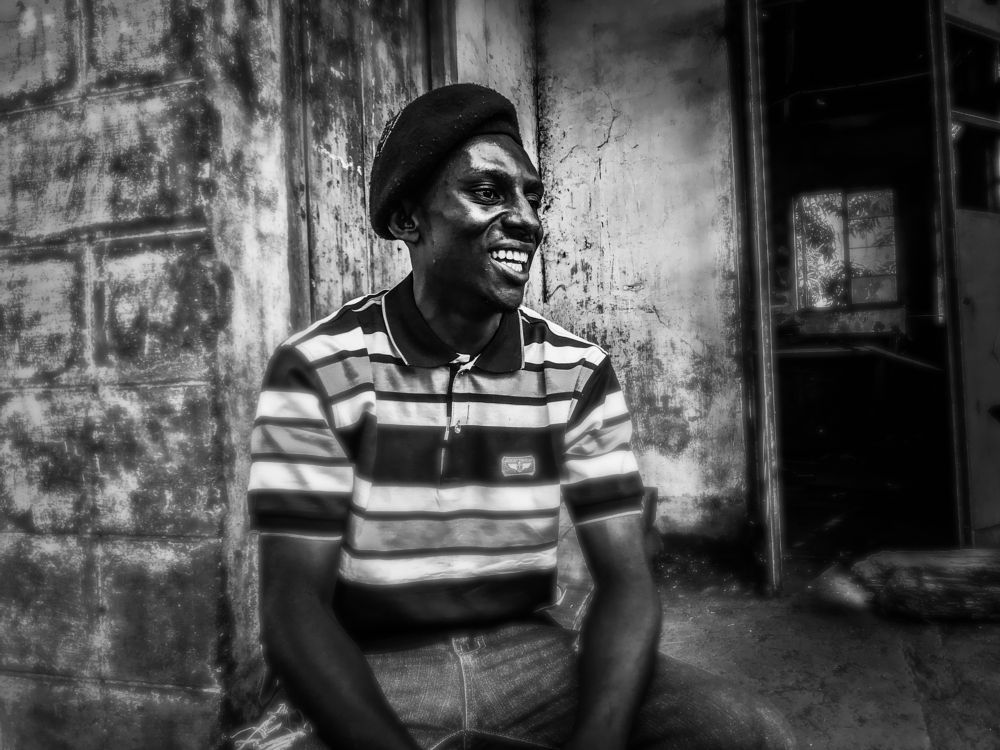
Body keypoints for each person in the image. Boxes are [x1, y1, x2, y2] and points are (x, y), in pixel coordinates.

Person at [235, 83, 796, 750]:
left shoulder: (576, 370)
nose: (527, 220)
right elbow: (293, 605)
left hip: (530, 659)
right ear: (409, 220)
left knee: (744, 732)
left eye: (532, 197)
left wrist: (597, 741)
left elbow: (626, 581)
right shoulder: (318, 366)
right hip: (374, 666)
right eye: (489, 192)